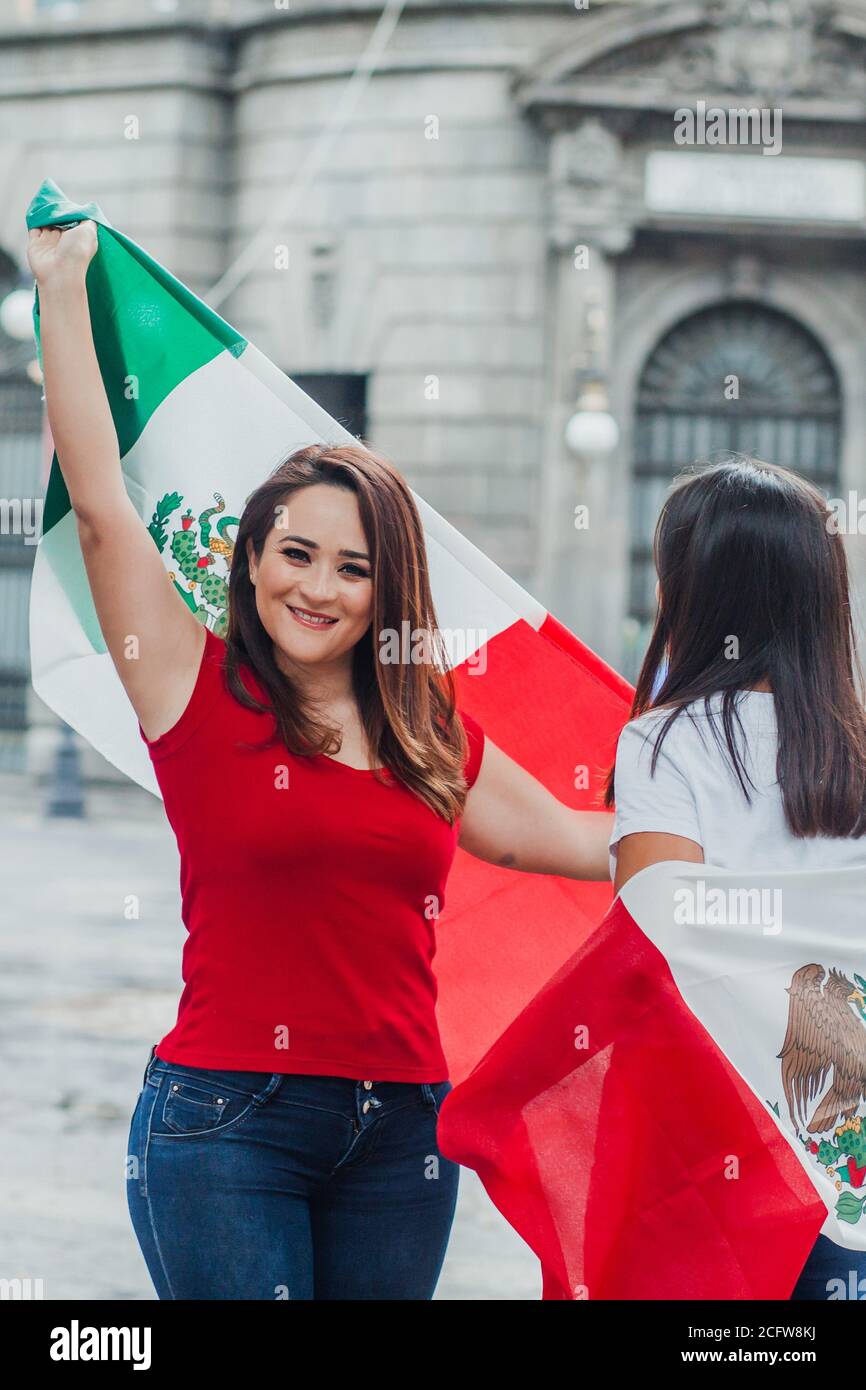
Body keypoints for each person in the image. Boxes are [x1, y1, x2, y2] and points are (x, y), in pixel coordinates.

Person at [28, 218, 613, 1301]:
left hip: (403, 1138)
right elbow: (105, 517)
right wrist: (62, 291)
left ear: (386, 591)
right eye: (294, 552)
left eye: (354, 567)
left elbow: (584, 841)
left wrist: (769, 829)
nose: (318, 586)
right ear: (250, 560)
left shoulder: (425, 731)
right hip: (225, 1125)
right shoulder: (189, 689)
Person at [606, 454, 866, 1302]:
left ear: (694, 592)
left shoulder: (665, 743)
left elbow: (655, 952)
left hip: (722, 1157)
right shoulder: (854, 755)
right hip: (848, 1158)